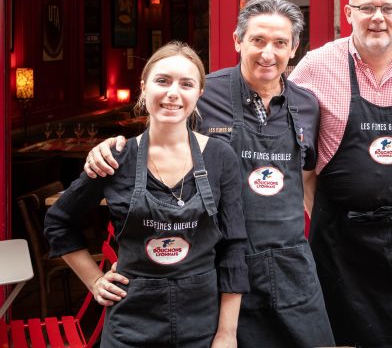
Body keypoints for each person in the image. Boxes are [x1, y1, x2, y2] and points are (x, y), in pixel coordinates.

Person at [83, 0, 334, 348]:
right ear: (237, 41)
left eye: (280, 43)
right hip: (221, 268)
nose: (268, 53)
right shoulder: (201, 93)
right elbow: (156, 141)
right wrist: (108, 147)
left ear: (294, 48)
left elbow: (307, 178)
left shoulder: (307, 103)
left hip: (291, 266)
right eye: (257, 40)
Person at [45, 42, 248, 347]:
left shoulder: (220, 156)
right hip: (130, 326)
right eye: (162, 80)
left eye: (186, 84)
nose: (173, 92)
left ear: (199, 93)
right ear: (144, 87)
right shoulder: (116, 156)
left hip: (202, 324)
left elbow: (234, 248)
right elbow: (58, 221)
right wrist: (94, 281)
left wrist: (226, 333)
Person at [288, 0, 392, 348]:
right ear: (348, 13)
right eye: (367, 8)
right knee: (341, 339)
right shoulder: (316, 65)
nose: (378, 17)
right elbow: (287, 139)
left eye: (388, 8)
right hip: (340, 241)